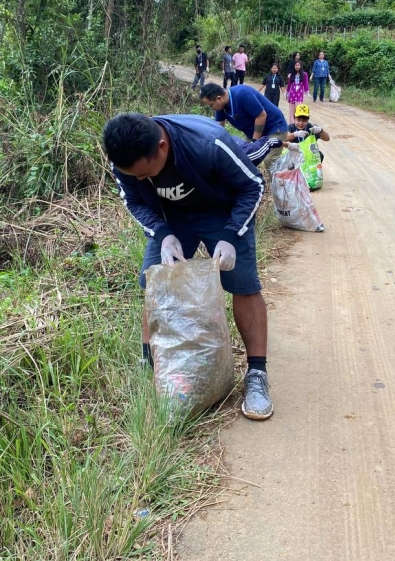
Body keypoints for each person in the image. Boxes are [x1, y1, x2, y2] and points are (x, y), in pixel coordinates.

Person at [103, 112, 274, 420]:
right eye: (134, 175)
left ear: (162, 147)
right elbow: (134, 202)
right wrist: (163, 235)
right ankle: (150, 364)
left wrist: (231, 236)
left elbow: (253, 186)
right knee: (155, 282)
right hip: (171, 219)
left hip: (222, 212)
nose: (140, 180)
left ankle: (257, 374)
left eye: (144, 174)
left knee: (244, 286)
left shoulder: (208, 143)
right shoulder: (124, 160)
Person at [199, 82, 288, 141]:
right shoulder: (220, 107)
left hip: (274, 127)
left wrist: (255, 142)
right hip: (253, 133)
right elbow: (218, 128)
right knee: (247, 160)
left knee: (269, 161)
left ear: (219, 98)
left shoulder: (242, 94)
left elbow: (261, 116)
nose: (212, 108)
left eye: (211, 105)